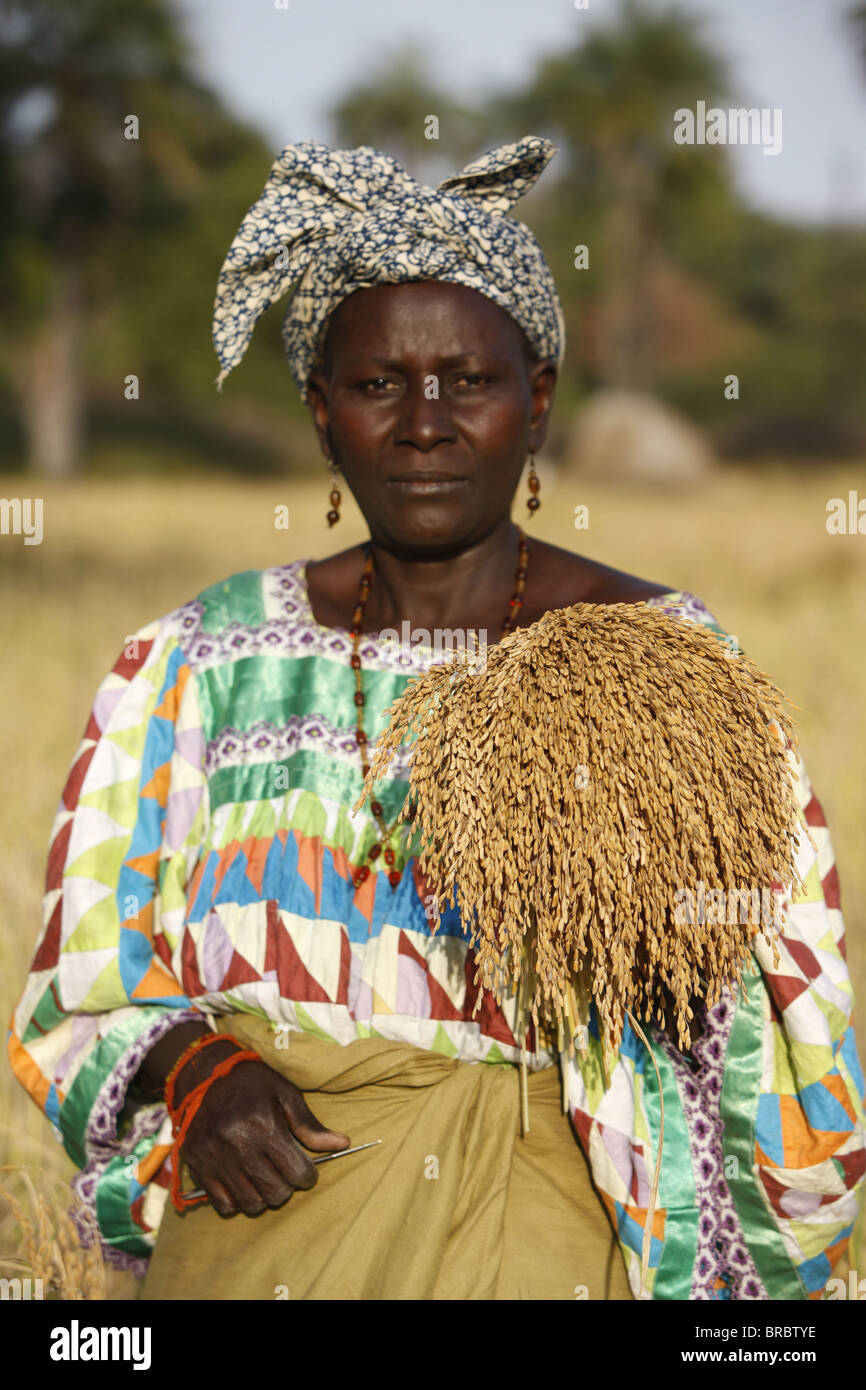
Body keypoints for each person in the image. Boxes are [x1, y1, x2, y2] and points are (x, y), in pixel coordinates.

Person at [9, 137, 865, 1301]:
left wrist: (643, 952)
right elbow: (80, 985)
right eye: (376, 385)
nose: (424, 422)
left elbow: (789, 996)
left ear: (538, 401)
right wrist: (198, 1070)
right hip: (271, 1228)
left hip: (554, 1238)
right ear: (320, 416)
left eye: (467, 379)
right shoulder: (195, 662)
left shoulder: (665, 659)